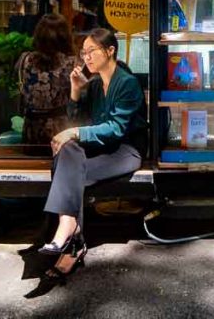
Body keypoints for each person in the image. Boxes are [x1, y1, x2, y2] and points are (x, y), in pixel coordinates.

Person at [38, 29, 148, 260]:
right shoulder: (96, 85)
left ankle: (67, 235)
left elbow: (115, 129)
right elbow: (77, 121)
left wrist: (73, 132)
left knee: (68, 168)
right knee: (67, 152)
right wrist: (76, 91)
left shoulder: (127, 83)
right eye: (83, 52)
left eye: (92, 51)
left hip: (126, 150)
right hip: (103, 148)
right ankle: (69, 229)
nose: (86, 57)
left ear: (110, 51)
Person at [16, 13, 75, 148]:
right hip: (62, 131)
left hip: (32, 132)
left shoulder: (25, 59)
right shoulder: (72, 62)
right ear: (65, 36)